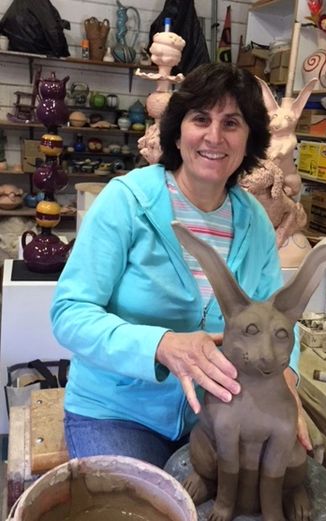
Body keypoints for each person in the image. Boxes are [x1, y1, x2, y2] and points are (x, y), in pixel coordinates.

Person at [50, 63, 311, 469]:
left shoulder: (254, 221)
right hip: (117, 411)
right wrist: (162, 345)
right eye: (201, 119)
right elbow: (69, 314)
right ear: (177, 130)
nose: (213, 136)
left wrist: (287, 384)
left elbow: (279, 319)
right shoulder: (127, 201)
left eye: (232, 123)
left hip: (217, 413)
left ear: (250, 141)